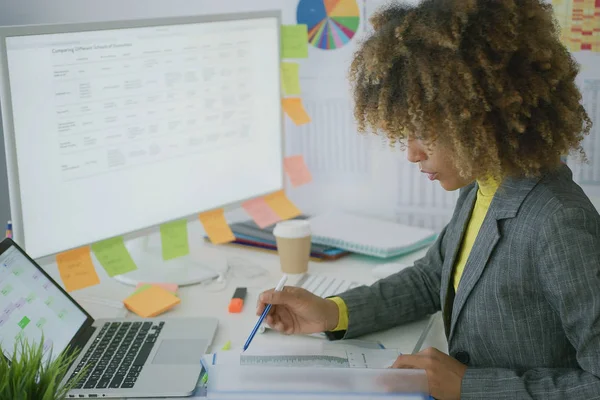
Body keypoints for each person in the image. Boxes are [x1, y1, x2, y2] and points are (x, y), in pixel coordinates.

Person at [257, 0, 600, 399]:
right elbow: (430, 278)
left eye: (426, 134)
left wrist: (469, 386)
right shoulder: (484, 185)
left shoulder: (559, 222)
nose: (412, 154)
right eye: (406, 133)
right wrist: (334, 312)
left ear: (480, 119)